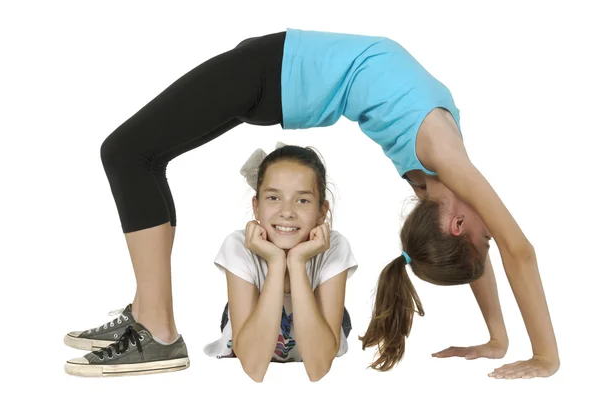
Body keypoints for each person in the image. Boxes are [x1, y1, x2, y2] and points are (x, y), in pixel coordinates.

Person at [64, 28, 559, 380]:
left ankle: (154, 324)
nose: (492, 231)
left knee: (130, 153)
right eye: (487, 238)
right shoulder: (443, 160)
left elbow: (505, 254)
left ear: (452, 224)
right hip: (271, 71)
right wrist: (529, 348)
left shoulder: (433, 177)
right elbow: (510, 252)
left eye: (484, 234)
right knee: (136, 155)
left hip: (270, 72)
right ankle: (151, 318)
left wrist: (510, 341)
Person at [202, 143, 357, 382]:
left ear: (321, 211)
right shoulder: (237, 244)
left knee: (331, 326)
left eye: (302, 201)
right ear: (256, 206)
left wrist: (296, 263)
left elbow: (318, 369)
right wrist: (276, 263)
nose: (287, 212)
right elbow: (253, 368)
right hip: (249, 320)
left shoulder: (334, 247)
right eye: (274, 197)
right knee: (243, 328)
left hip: (322, 318)